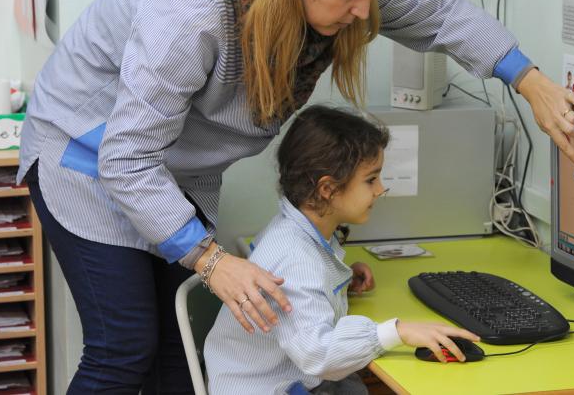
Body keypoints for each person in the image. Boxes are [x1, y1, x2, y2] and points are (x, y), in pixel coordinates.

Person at [17, 0, 574, 392]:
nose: (365, 11)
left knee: (174, 349)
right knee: (123, 348)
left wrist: (528, 80)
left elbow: (439, 14)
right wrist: (212, 261)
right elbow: (127, 157)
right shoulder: (190, 10)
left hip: (164, 167)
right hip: (87, 161)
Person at [205, 105, 480, 394]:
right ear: (328, 189)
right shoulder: (295, 259)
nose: (380, 189)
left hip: (281, 374)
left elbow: (303, 294)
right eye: (371, 179)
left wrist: (338, 280)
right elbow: (319, 355)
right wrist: (397, 331)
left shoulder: (293, 229)